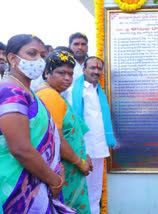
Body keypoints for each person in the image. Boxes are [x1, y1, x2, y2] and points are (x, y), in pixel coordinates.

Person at [0, 34, 75, 213]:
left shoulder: (28, 90)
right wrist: (54, 180)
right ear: (12, 59)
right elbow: (20, 149)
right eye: (32, 54)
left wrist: (57, 168)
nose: (39, 60)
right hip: (18, 186)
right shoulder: (10, 91)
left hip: (40, 178)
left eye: (42, 55)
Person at [36, 50, 93, 213]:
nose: (67, 78)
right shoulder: (49, 95)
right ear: (47, 72)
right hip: (67, 169)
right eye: (61, 73)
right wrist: (80, 162)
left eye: (70, 73)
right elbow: (57, 139)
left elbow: (72, 133)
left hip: (71, 164)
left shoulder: (54, 94)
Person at [65, 56, 117, 214]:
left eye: (99, 68)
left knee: (94, 191)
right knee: (79, 190)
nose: (96, 71)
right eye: (92, 68)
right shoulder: (73, 92)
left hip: (99, 148)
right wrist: (79, 151)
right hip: (81, 150)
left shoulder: (99, 92)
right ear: (84, 70)